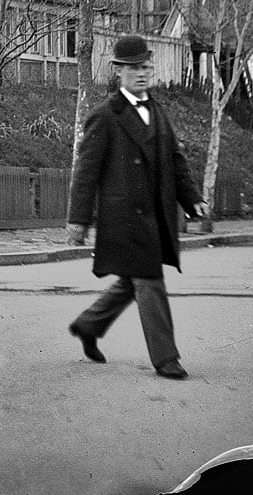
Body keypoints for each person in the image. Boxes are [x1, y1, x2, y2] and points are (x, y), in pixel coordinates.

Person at [65, 34, 207, 380]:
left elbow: (176, 161)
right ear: (118, 72)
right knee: (149, 281)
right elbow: (85, 173)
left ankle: (88, 325)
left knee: (133, 281)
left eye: (145, 67)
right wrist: (78, 220)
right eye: (132, 68)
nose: (141, 74)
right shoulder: (105, 116)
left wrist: (192, 200)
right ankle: (166, 359)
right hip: (124, 220)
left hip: (155, 217)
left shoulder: (158, 112)